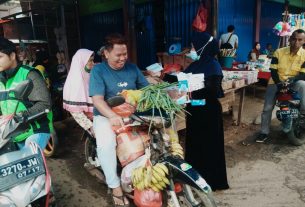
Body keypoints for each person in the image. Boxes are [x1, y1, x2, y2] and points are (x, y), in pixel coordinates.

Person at [89, 33, 149, 206]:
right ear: (106, 54)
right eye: (118, 55)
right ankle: (115, 186)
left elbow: (146, 90)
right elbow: (98, 100)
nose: (123, 58)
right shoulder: (98, 71)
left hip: (130, 113)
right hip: (106, 115)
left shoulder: (132, 68)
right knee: (106, 144)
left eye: (125, 54)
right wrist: (112, 116)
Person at [182, 32, 229, 191]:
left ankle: (212, 181)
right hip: (194, 112)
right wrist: (167, 78)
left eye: (194, 46)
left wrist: (189, 96)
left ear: (204, 47)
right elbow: (183, 81)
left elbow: (212, 92)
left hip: (208, 112)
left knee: (209, 147)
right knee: (195, 145)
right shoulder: (195, 65)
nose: (192, 49)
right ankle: (196, 178)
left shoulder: (213, 66)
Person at [0, 37, 52, 149]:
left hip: (34, 131)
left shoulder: (29, 74)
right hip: (12, 134)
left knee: (28, 163)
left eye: (0, 57)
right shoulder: (0, 80)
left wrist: (18, 117)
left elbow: (45, 104)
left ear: (12, 56)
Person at [256, 29, 305, 145]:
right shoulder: (278, 52)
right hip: (276, 82)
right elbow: (273, 70)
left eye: (300, 40)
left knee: (303, 84)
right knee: (267, 108)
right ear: (289, 39)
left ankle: (303, 115)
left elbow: (303, 74)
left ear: (304, 41)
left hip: (293, 82)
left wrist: (291, 80)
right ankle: (264, 132)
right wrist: (279, 83)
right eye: (294, 39)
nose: (296, 42)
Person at [63, 49, 95, 133]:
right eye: (90, 61)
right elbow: (76, 112)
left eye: (93, 60)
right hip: (92, 121)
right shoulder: (75, 82)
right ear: (81, 62)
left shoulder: (88, 75)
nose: (93, 63)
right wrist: (90, 127)